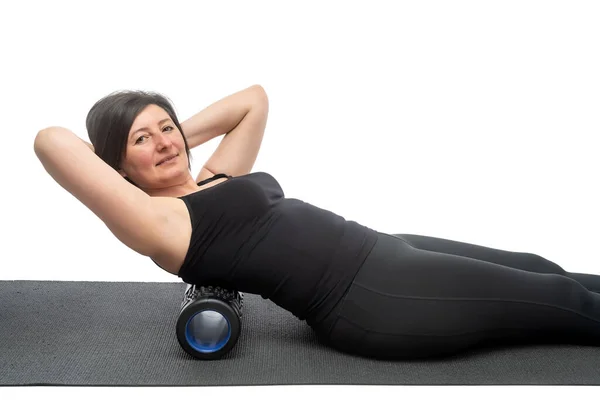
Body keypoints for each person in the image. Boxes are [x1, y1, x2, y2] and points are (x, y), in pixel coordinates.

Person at [34, 84, 600, 360]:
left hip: (384, 252)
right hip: (376, 299)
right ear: (114, 164)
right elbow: (51, 141)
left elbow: (252, 100)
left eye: (166, 127)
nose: (163, 142)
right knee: (561, 300)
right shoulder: (157, 221)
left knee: (540, 268)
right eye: (141, 139)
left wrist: (167, 138)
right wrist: (121, 162)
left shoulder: (211, 181)